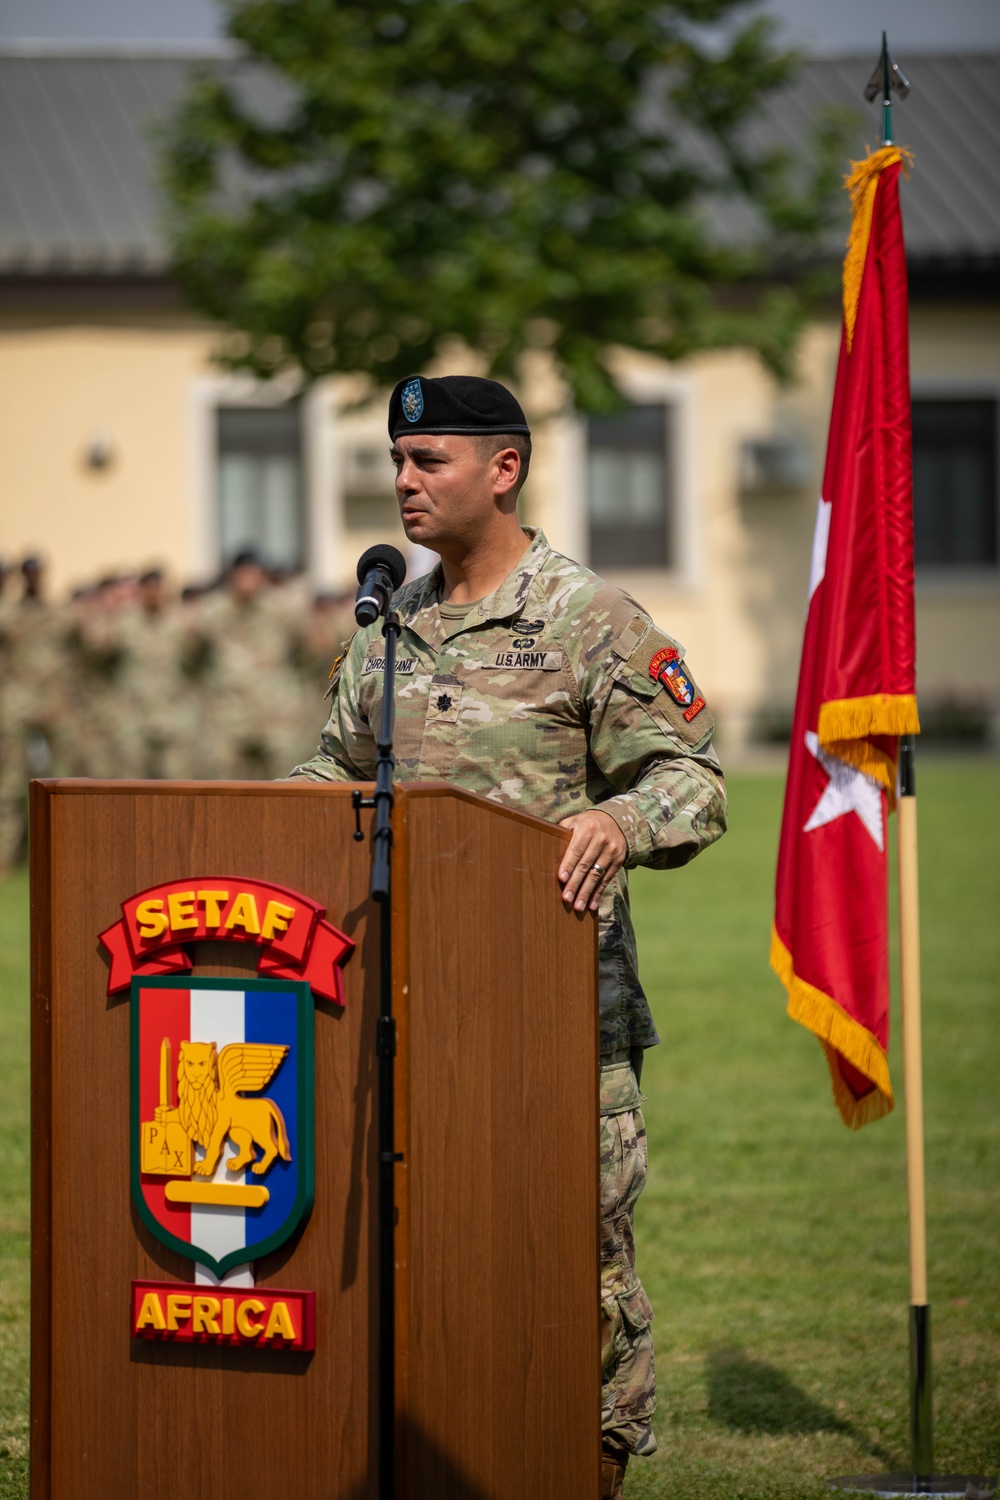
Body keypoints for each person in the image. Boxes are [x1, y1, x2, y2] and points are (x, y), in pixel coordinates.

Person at [288, 374, 727, 1499]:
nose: (402, 482)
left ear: (503, 468)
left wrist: (619, 817)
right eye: (396, 460)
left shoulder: (588, 617)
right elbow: (333, 768)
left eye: (427, 459)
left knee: (569, 1282)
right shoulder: (393, 623)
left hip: (556, 1025)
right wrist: (261, 821)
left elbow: (694, 779)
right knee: (415, 1274)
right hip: (398, 1019)